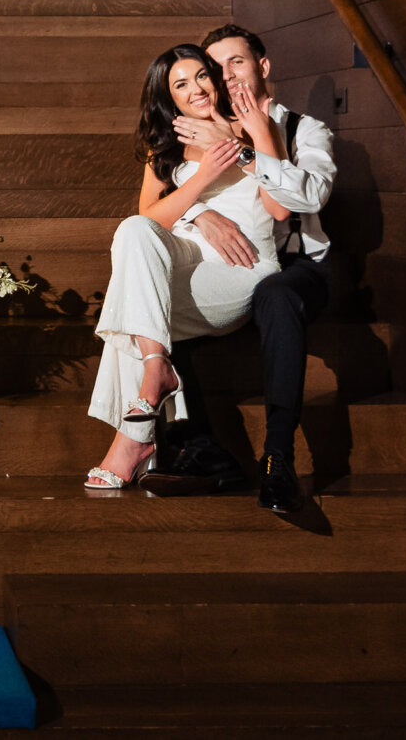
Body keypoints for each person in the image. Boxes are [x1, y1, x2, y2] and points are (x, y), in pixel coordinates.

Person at [84, 44, 289, 491]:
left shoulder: (253, 127)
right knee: (133, 233)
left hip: (242, 265)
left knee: (129, 303)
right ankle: (156, 371)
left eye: (201, 76)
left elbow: (279, 209)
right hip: (183, 258)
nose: (196, 89)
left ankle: (134, 437)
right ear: (169, 99)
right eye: (181, 84)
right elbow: (145, 218)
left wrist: (244, 142)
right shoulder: (165, 146)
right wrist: (200, 198)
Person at [158, 24, 337, 514]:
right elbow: (169, 191)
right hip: (231, 258)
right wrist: (201, 213)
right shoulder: (198, 124)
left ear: (263, 66)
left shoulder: (306, 128)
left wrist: (242, 146)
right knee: (159, 289)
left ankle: (278, 456)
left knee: (276, 294)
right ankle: (198, 444)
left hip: (297, 265)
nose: (225, 75)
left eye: (235, 62)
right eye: (215, 68)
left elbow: (305, 198)